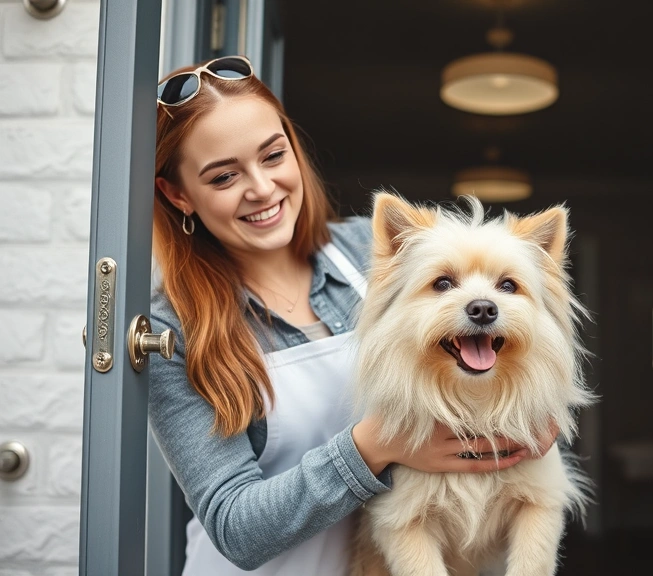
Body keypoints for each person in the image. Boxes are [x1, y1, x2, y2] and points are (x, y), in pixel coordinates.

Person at [148, 56, 557, 575]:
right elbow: (235, 528)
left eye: (273, 156)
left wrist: (531, 422)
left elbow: (514, 342)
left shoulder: (374, 248)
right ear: (178, 193)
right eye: (224, 176)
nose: (261, 188)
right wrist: (374, 447)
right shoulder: (171, 332)